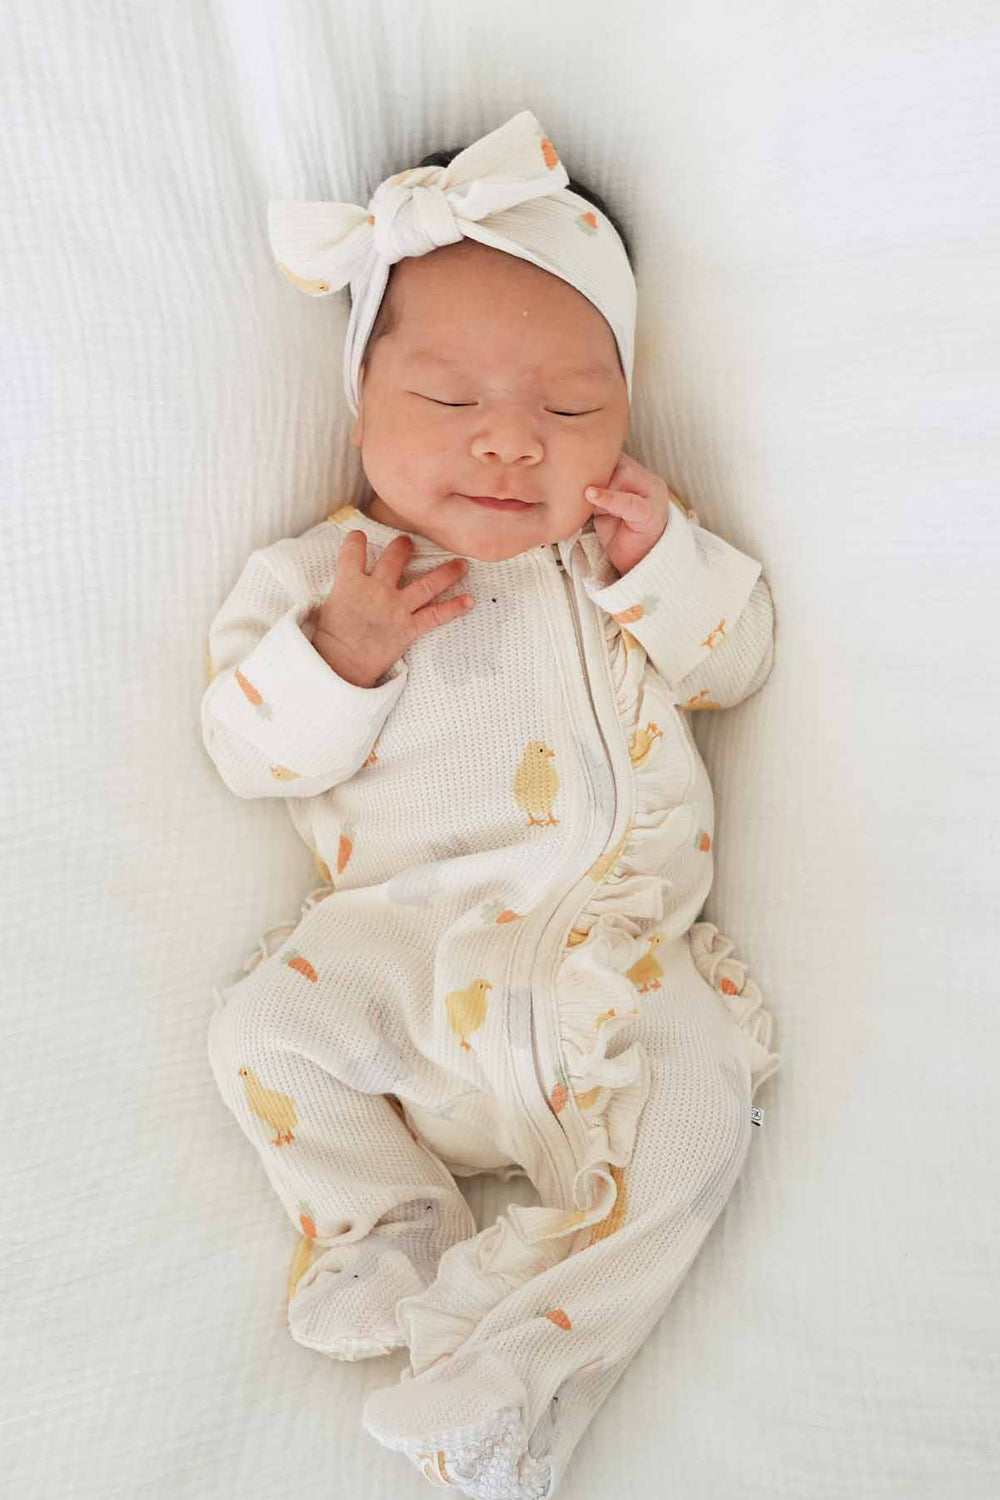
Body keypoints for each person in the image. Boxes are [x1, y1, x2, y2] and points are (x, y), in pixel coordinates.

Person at [200, 109, 781, 1500]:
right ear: (363, 411)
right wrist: (337, 656)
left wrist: (665, 571)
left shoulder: (620, 557)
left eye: (571, 408)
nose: (513, 443)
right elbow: (245, 750)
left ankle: (515, 1373)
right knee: (263, 1030)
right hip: (404, 954)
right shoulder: (322, 578)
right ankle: (382, 1221)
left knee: (709, 1112)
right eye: (452, 403)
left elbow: (741, 659)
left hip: (615, 959)